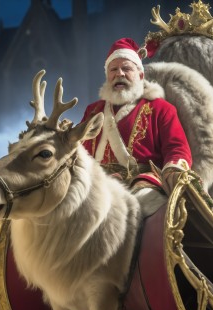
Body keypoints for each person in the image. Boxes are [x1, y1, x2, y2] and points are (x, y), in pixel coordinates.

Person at [80, 37, 192, 216]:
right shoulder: (93, 111)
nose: (120, 74)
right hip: (97, 183)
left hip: (141, 183)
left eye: (126, 68)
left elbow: (177, 149)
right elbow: (80, 150)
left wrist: (173, 169)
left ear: (140, 75)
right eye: (113, 69)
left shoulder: (161, 109)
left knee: (146, 204)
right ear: (108, 76)